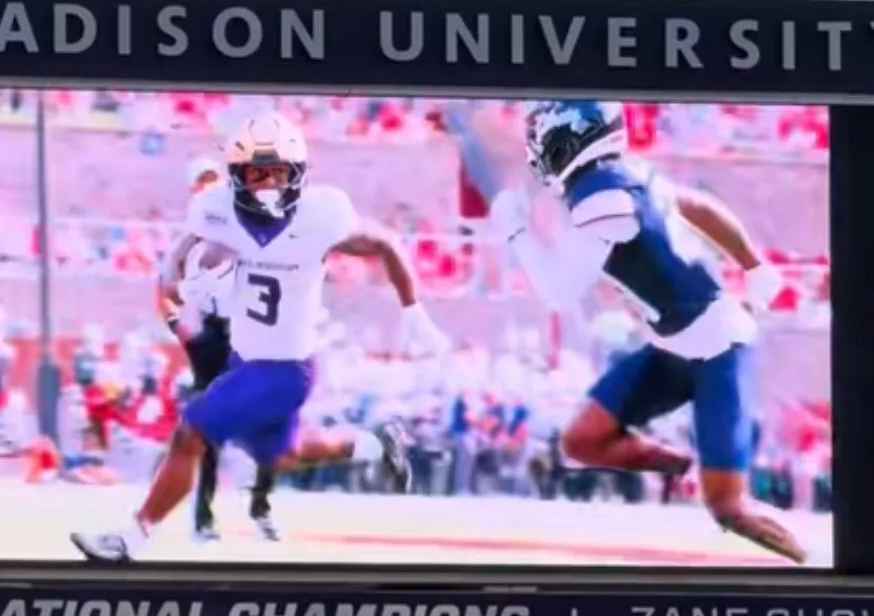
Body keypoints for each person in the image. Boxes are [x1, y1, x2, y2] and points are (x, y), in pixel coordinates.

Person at [71, 110, 448, 564]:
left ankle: (131, 537)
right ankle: (376, 444)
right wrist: (184, 281)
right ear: (237, 176)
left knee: (191, 433)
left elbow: (385, 241)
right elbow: (183, 254)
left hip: (286, 368)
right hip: (245, 359)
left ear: (298, 175)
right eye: (256, 172)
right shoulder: (217, 210)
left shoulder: (320, 215)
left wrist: (413, 310)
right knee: (283, 455)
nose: (268, 183)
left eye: (277, 172)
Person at [483, 100, 806, 565]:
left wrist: (515, 232)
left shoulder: (601, 196)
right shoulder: (628, 175)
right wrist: (753, 264)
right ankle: (684, 467)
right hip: (674, 345)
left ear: (570, 142)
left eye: (544, 144)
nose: (539, 157)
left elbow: (557, 290)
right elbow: (697, 206)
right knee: (582, 441)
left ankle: (815, 560)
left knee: (730, 508)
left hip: (718, 347)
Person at [167, 158, 278, 543]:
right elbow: (169, 291)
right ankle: (203, 518)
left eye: (215, 181)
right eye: (203, 183)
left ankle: (260, 505)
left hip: (248, 330)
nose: (211, 189)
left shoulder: (247, 225)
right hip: (211, 333)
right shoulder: (187, 241)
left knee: (271, 417)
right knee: (208, 431)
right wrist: (184, 329)